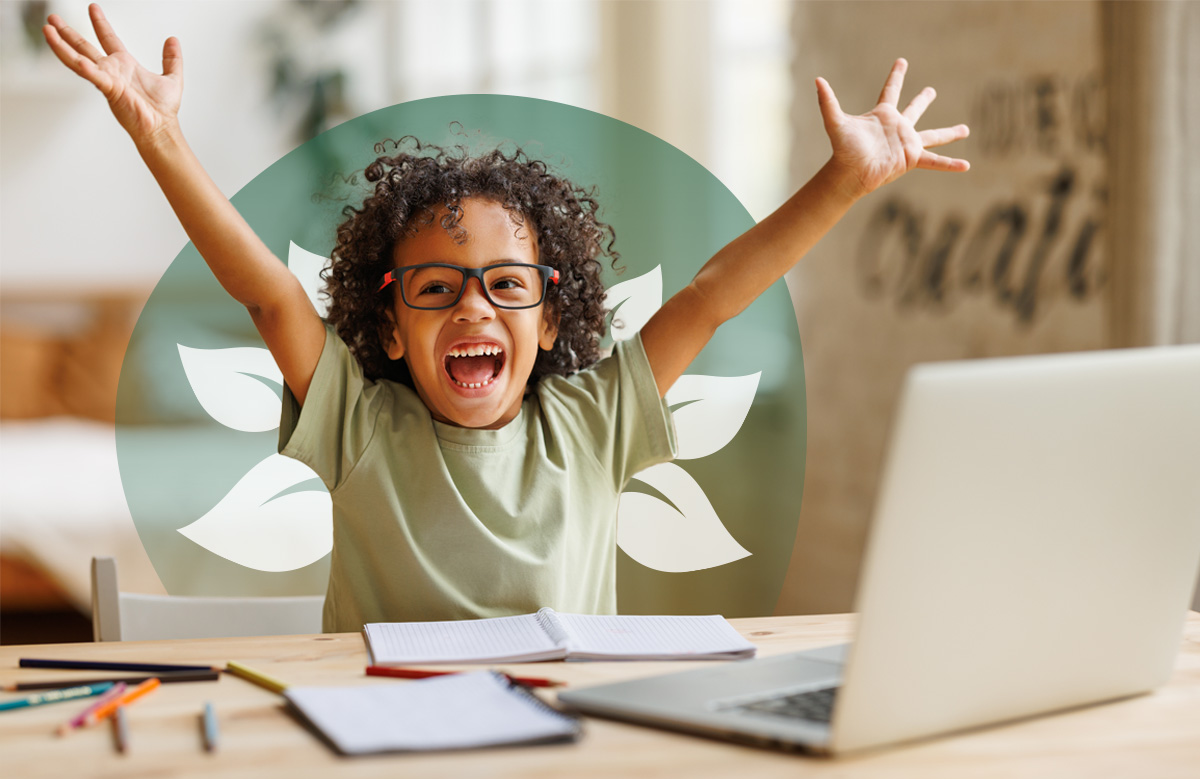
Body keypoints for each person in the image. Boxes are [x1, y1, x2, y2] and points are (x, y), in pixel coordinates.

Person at [44, 4, 970, 632]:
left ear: (555, 318)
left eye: (506, 285)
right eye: (437, 288)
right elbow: (270, 295)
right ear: (392, 325)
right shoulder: (359, 423)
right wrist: (159, 138)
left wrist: (844, 180)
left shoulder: (595, 422)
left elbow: (714, 294)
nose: (475, 305)